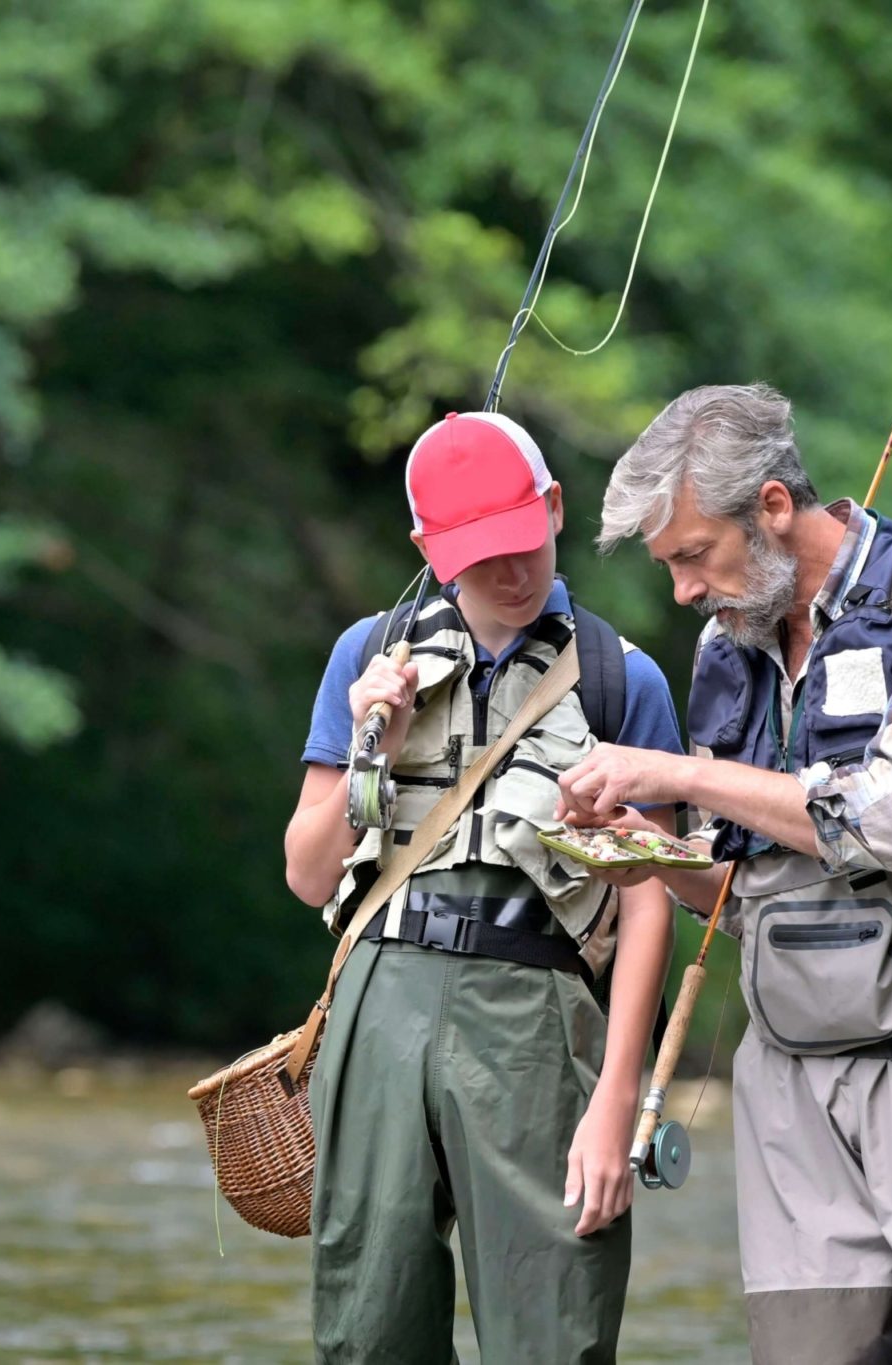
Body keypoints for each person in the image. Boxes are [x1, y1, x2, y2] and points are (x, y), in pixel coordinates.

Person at [557, 383, 892, 1364]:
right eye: (667, 568)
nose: (682, 593)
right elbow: (742, 897)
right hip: (787, 1080)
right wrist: (643, 849)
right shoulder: (726, 646)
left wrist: (670, 771)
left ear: (775, 507)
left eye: (692, 556)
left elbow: (887, 823)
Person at [283, 409, 684, 1364]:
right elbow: (306, 875)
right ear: (427, 548)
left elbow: (648, 899)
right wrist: (372, 735)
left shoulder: (623, 682)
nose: (509, 573)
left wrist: (617, 1095)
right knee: (369, 1326)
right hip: (380, 1000)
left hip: (539, 1016)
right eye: (478, 556)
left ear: (553, 508)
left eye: (522, 542)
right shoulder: (367, 654)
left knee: (554, 1326)